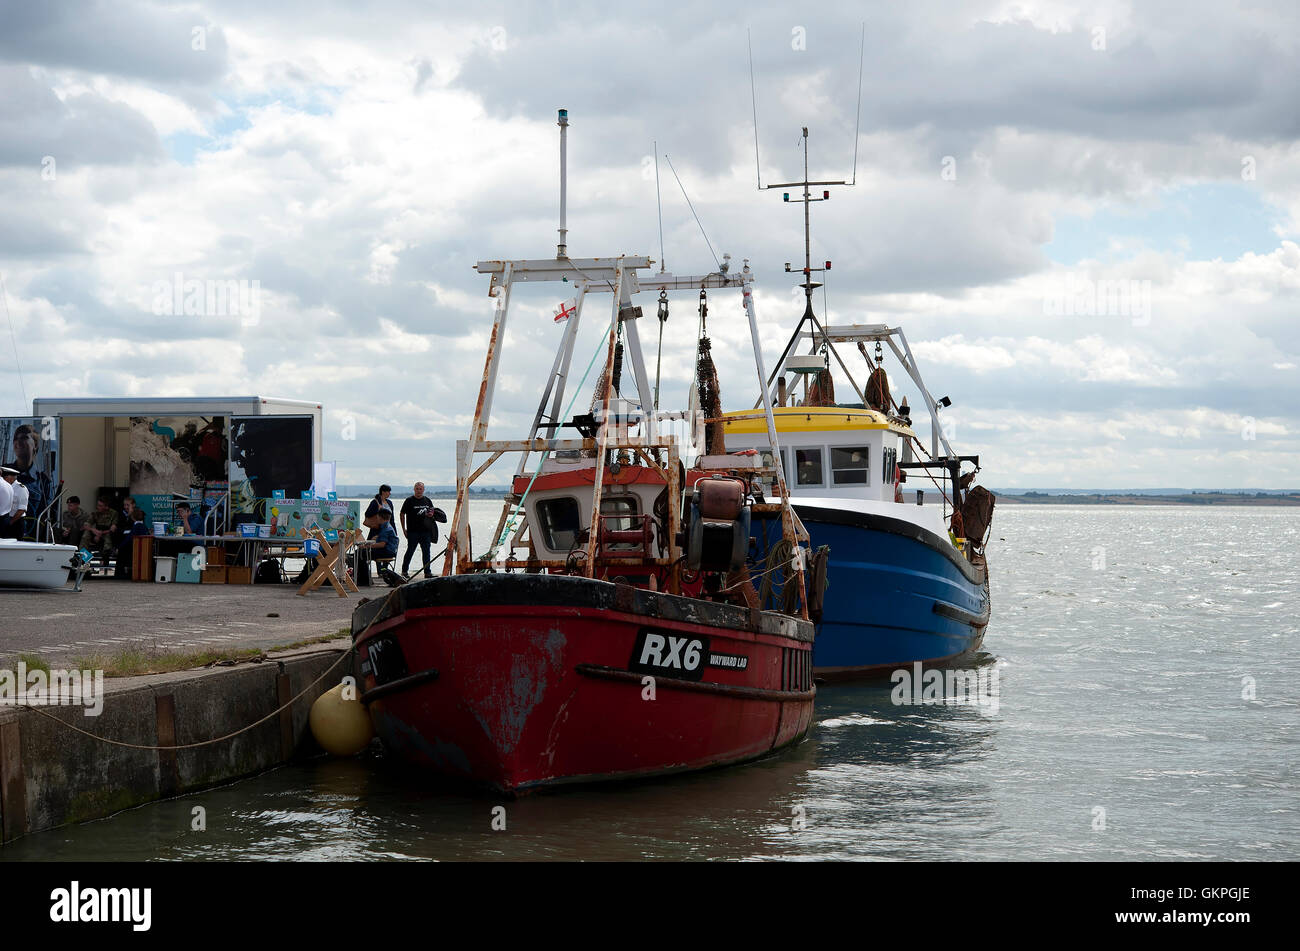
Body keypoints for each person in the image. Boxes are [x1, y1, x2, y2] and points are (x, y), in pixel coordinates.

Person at [9, 424, 52, 525]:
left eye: (24, 437)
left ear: (35, 445)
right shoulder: (3, 472)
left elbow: (47, 517)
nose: (18, 442)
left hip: (28, 538)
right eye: (15, 438)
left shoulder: (43, 482)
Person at [399, 481, 444, 579]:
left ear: (423, 490)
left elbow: (432, 510)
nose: (419, 491)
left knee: (426, 552)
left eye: (420, 489)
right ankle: (404, 571)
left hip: (425, 531)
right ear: (414, 489)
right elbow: (402, 514)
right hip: (412, 531)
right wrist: (404, 529)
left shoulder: (427, 500)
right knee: (410, 551)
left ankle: (427, 572)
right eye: (417, 489)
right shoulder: (409, 500)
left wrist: (431, 514)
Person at [2, 467, 28, 539]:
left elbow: (22, 509)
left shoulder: (21, 489)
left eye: (4, 478)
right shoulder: (4, 487)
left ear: (10, 478)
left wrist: (10, 522)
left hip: (16, 521)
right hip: (5, 519)